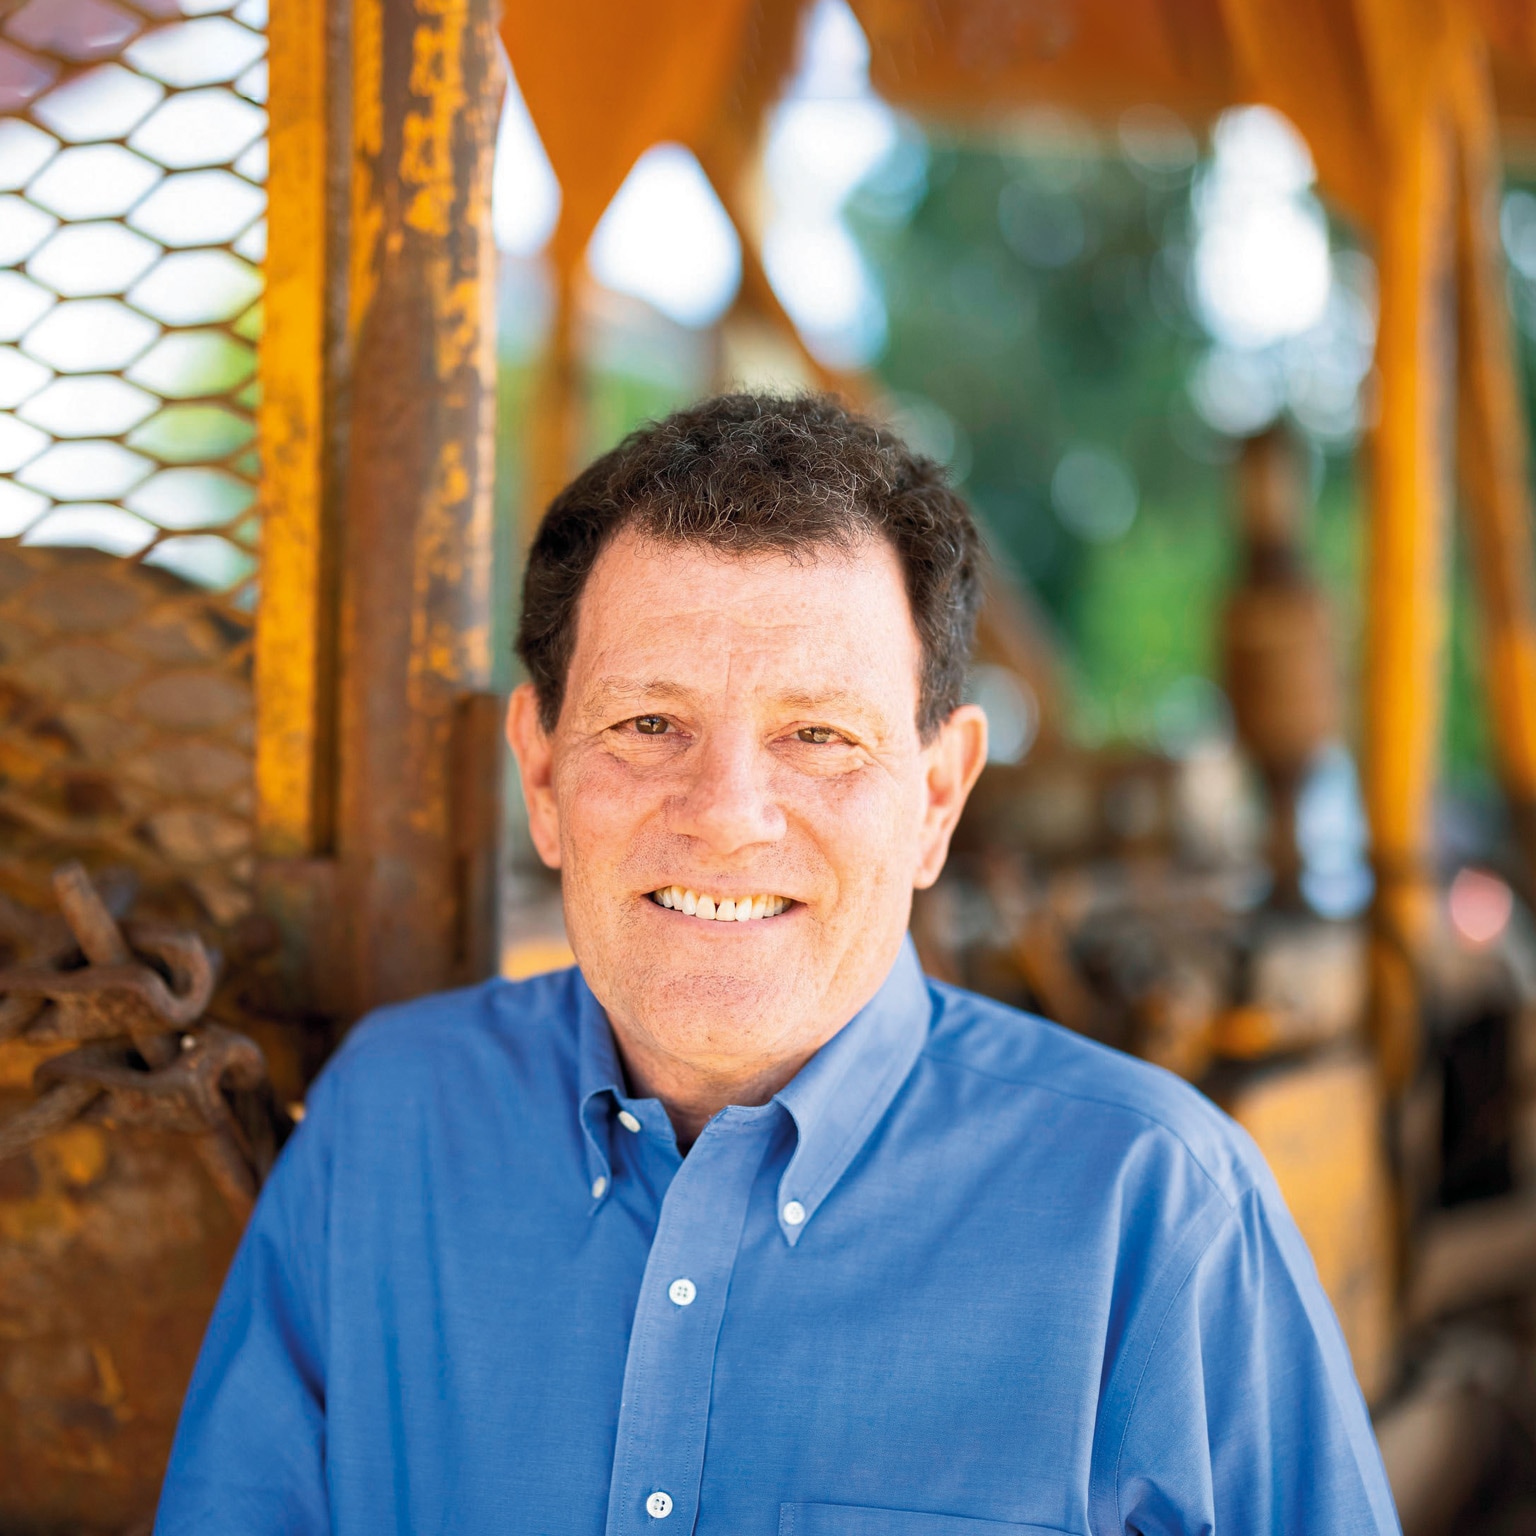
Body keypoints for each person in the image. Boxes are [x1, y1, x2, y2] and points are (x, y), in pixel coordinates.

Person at [156, 394, 1399, 1535]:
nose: (729, 814)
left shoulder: (1158, 1212)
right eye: (649, 725)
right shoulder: (385, 1126)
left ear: (936, 795)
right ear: (541, 776)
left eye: (819, 735)